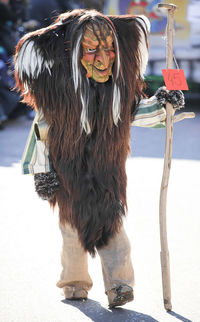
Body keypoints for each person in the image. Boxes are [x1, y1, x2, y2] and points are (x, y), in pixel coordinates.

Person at [14, 9, 184, 308]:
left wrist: (166, 101)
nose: (104, 60)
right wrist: (42, 172)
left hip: (106, 175)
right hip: (67, 178)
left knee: (112, 227)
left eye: (109, 49)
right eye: (91, 50)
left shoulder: (117, 95)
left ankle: (119, 285)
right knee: (71, 231)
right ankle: (74, 283)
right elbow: (41, 132)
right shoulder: (59, 101)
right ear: (74, 55)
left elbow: (139, 113)